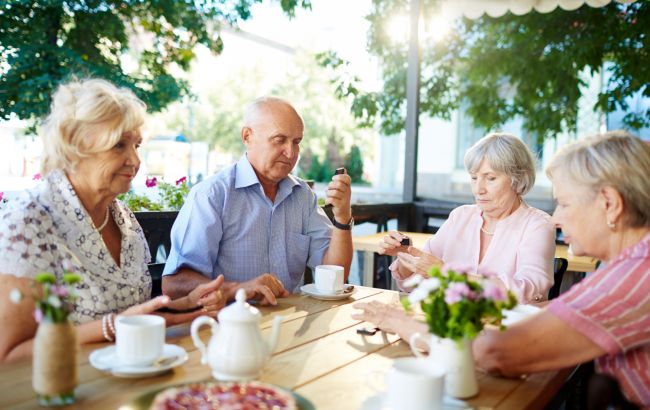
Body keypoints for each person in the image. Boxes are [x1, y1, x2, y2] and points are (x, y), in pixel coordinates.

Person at [358, 131, 650, 408]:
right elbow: (563, 307)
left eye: (564, 203)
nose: (557, 219)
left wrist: (404, 325)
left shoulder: (637, 275)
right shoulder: (630, 266)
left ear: (610, 204)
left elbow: (495, 353)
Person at [0, 79, 223, 363]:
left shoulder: (123, 219)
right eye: (119, 145)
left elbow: (131, 316)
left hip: (131, 378)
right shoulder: (26, 222)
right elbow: (9, 354)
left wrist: (183, 306)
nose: (135, 160)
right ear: (75, 148)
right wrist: (110, 326)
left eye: (137, 145)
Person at [162, 96, 353, 305]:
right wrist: (238, 290)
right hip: (228, 326)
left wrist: (343, 217)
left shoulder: (303, 196)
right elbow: (174, 284)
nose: (291, 153)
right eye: (279, 140)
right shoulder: (212, 195)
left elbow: (336, 276)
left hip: (288, 323)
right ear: (247, 136)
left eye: (296, 142)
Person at [379, 132, 555, 303]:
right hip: (449, 326)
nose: (479, 189)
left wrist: (446, 273)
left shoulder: (537, 225)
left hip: (507, 330)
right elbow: (417, 284)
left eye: (491, 178)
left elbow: (531, 292)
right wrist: (406, 256)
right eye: (473, 178)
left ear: (518, 179)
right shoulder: (461, 216)